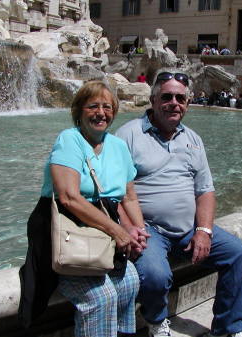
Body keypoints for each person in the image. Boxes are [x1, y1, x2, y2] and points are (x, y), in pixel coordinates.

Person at [116, 69, 242, 337]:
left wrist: (204, 231)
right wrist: (128, 228)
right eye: (167, 97)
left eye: (180, 98)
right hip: (148, 228)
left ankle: (229, 328)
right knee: (155, 275)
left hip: (189, 228)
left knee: (237, 253)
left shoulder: (193, 139)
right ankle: (156, 320)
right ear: (153, 100)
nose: (174, 103)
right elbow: (115, 192)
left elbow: (205, 191)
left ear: (188, 104)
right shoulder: (128, 135)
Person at [18, 81, 150, 336]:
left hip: (105, 230)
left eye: (107, 107)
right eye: (93, 106)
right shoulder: (70, 139)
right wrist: (118, 231)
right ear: (79, 110)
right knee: (101, 297)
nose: (101, 112)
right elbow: (68, 197)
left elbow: (129, 197)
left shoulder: (118, 146)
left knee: (130, 283)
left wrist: (138, 230)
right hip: (70, 228)